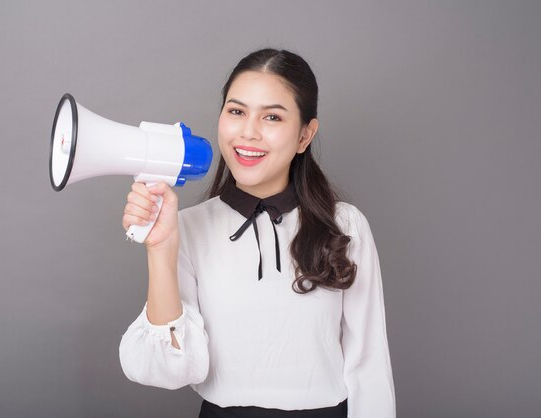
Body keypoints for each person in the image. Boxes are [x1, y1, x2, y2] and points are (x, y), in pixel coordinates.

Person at [119, 48, 395, 418]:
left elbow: (369, 366)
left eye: (272, 117)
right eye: (236, 111)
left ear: (304, 135)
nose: (248, 132)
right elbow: (170, 370)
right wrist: (160, 248)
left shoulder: (345, 225)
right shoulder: (186, 227)